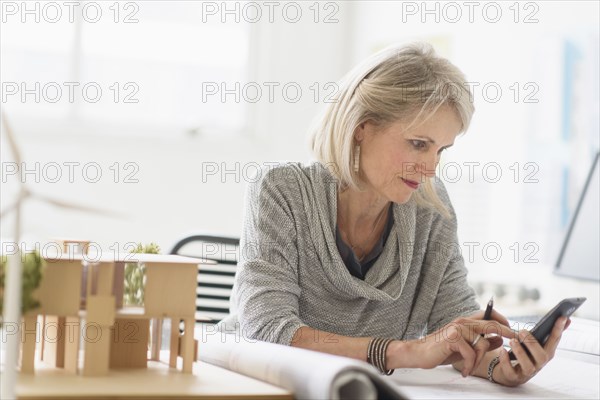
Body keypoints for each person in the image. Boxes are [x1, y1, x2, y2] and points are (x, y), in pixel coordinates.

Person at [218, 43, 570, 386]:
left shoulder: (430, 207)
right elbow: (266, 331)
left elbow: (455, 327)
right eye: (418, 144)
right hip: (254, 385)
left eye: (440, 150)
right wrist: (402, 352)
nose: (430, 168)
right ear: (361, 127)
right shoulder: (282, 190)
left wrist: (500, 366)